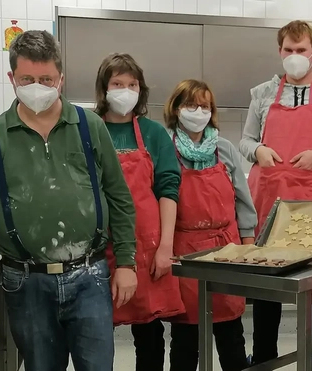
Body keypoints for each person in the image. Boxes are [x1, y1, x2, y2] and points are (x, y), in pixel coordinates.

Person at [0, 30, 136, 371]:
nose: (38, 86)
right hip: (25, 280)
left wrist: (126, 263)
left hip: (89, 275)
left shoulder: (89, 126)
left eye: (46, 79)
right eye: (28, 79)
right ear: (12, 79)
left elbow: (119, 198)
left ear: (61, 79)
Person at [238, 20, 312, 371]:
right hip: (269, 200)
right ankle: (263, 357)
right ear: (280, 52)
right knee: (267, 283)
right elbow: (244, 141)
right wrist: (257, 150)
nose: (294, 57)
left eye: (301, 50)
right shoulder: (260, 94)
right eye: (288, 50)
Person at [93, 52, 185, 370]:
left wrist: (166, 248)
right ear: (104, 89)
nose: (125, 90)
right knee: (95, 329)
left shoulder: (153, 133)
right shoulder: (89, 130)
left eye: (132, 84)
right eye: (117, 83)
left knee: (149, 331)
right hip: (98, 248)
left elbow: (168, 190)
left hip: (147, 249)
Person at [164, 79, 255, 371]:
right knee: (185, 337)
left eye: (204, 105)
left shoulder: (225, 148)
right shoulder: (165, 147)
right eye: (191, 105)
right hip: (184, 253)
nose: (198, 111)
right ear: (176, 109)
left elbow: (242, 198)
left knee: (231, 334)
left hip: (226, 250)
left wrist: (248, 243)